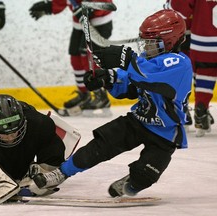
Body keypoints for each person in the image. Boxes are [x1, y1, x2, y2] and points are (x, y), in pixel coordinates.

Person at [32, 9, 193, 197]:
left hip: (165, 133)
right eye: (145, 42)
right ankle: (60, 173)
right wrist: (106, 78)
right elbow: (129, 84)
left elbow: (147, 75)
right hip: (138, 121)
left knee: (144, 176)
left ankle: (132, 182)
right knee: (99, 146)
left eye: (151, 43)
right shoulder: (145, 60)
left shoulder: (180, 63)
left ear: (170, 41)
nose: (147, 47)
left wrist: (126, 58)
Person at [0, 94, 80, 203]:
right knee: (11, 172)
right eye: (4, 134)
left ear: (23, 122)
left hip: (33, 132)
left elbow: (55, 161)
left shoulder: (40, 123)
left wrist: (44, 173)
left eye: (14, 132)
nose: (10, 138)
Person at [29, 0, 114, 116]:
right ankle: (84, 95)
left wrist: (92, 8)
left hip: (99, 24)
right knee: (75, 57)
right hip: (80, 24)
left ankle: (100, 96)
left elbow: (106, 3)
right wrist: (50, 6)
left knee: (88, 57)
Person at [165, 0, 217, 137]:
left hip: (200, 37)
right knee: (203, 73)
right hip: (199, 33)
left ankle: (189, 111)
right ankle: (199, 110)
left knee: (197, 71)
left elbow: (179, 11)